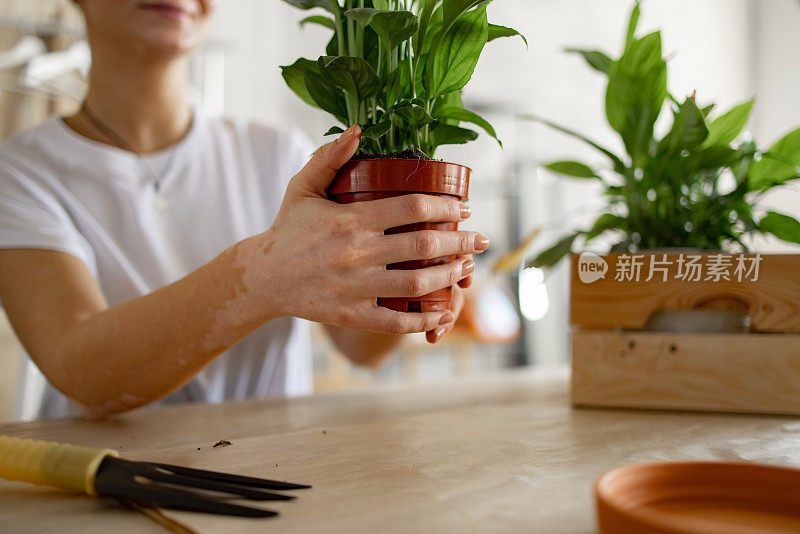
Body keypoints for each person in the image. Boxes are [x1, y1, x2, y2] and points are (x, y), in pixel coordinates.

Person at [0, 0, 488, 420]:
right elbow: (81, 370)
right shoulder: (20, 173)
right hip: (106, 490)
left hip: (277, 476)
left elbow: (361, 348)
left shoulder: (277, 153)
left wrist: (412, 281)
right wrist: (259, 277)